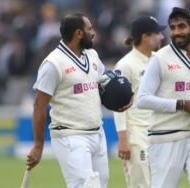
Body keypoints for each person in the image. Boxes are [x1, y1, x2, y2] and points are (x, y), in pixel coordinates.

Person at [26, 13, 131, 188]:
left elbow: (104, 83)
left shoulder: (92, 55)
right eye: (90, 29)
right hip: (70, 136)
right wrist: (38, 145)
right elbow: (39, 105)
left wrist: (120, 99)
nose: (94, 32)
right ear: (79, 34)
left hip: (97, 133)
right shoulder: (53, 63)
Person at [137, 7, 190, 188]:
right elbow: (142, 99)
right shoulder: (159, 58)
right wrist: (183, 104)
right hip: (166, 137)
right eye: (173, 28)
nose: (176, 32)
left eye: (181, 27)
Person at [113, 16, 165, 188]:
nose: (162, 37)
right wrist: (122, 139)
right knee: (140, 185)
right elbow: (118, 104)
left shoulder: (161, 60)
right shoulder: (125, 65)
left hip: (159, 132)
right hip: (136, 134)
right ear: (145, 36)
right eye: (157, 33)